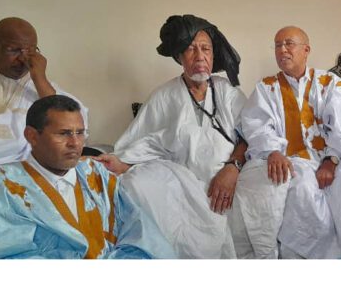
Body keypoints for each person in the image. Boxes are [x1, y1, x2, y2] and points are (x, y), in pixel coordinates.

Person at [96, 15, 247, 258]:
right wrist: (122, 161)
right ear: (179, 57)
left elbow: (251, 137)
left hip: (232, 179)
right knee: (138, 186)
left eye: (206, 49)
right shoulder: (163, 96)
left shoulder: (228, 92)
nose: (200, 56)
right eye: (191, 49)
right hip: (185, 184)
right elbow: (146, 142)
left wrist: (232, 168)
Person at [230, 26, 341, 259]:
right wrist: (273, 151)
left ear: (306, 50)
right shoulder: (266, 88)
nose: (282, 50)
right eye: (278, 45)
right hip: (292, 160)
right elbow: (256, 125)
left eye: (289, 44)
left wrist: (331, 161)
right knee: (302, 188)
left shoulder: (329, 83)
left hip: (335, 157)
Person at [0, 95, 174, 259]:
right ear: (32, 136)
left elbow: (141, 233)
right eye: (63, 133)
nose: (75, 143)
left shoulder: (96, 175)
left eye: (80, 133)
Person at [0, 17, 88, 176]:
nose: (22, 59)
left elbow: (74, 125)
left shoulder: (46, 89)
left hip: (15, 177)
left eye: (30, 51)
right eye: (14, 50)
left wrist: (39, 78)